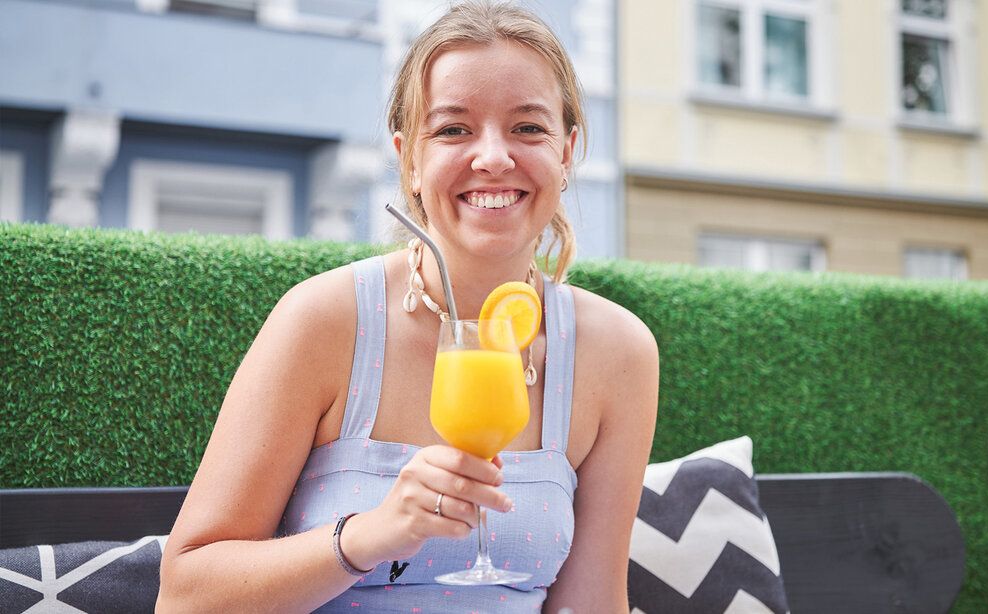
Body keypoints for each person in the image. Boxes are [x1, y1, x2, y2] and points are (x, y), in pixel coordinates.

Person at [156, 2, 658, 612]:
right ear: (409, 160)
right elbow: (184, 596)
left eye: (528, 128)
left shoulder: (616, 353)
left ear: (567, 152)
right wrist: (369, 535)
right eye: (453, 130)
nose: (493, 157)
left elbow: (592, 601)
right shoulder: (325, 322)